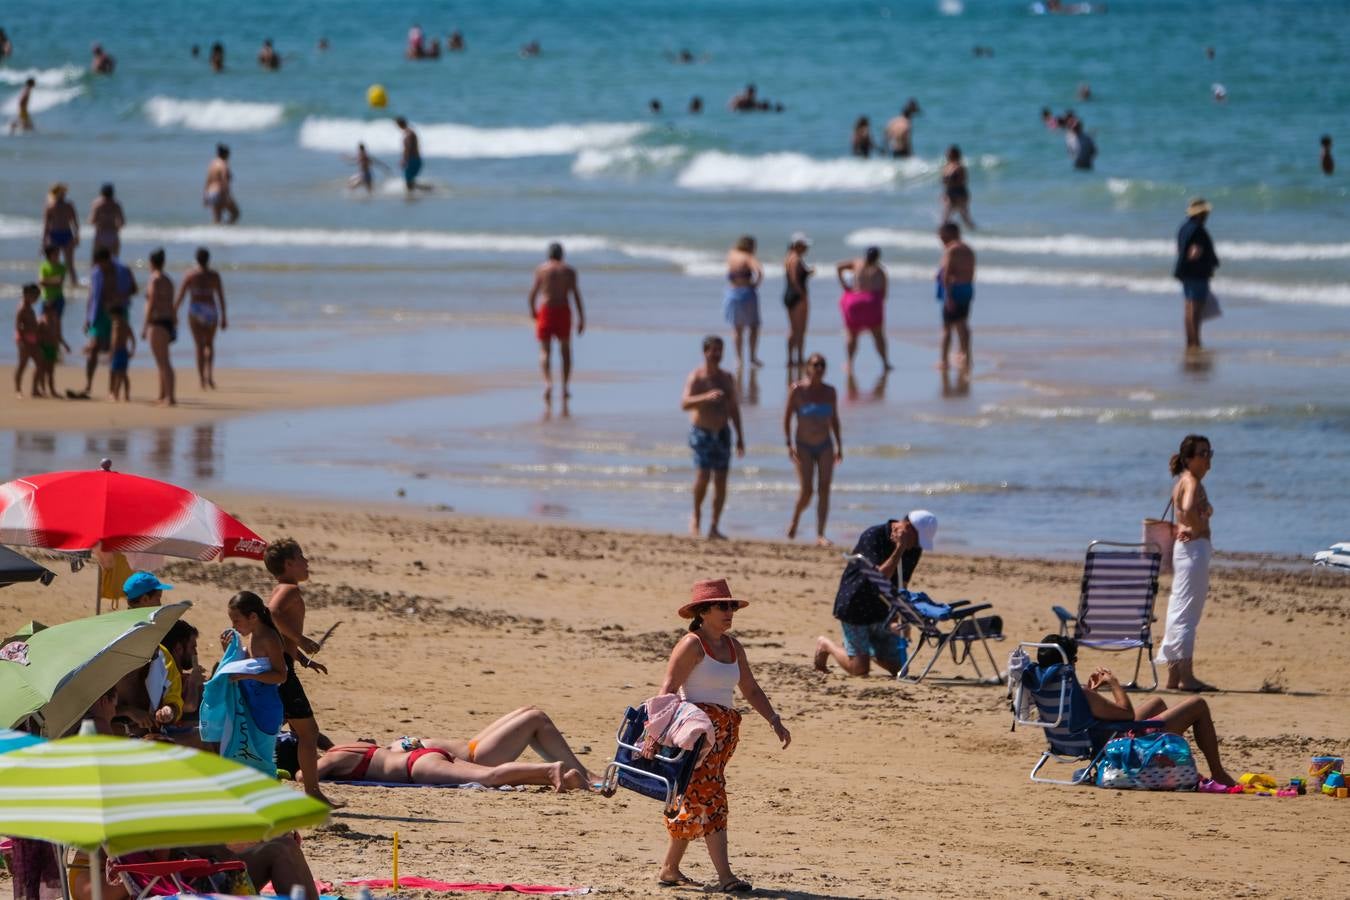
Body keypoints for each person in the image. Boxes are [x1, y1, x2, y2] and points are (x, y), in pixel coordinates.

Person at [656, 578, 789, 893]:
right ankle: (726, 876)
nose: (729, 612)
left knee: (696, 799)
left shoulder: (733, 646)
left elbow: (750, 689)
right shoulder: (692, 644)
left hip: (724, 736)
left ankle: (670, 869)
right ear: (703, 611)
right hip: (696, 736)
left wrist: (774, 720)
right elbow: (668, 689)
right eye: (722, 606)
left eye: (731, 606)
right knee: (712, 798)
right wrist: (656, 735)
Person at [1039, 635, 1234, 785]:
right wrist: (1113, 683)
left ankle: (1164, 760)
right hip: (1121, 748)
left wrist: (1091, 692)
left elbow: (1081, 717)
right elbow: (1126, 714)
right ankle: (1218, 773)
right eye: (1073, 658)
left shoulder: (1046, 689)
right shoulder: (1080, 694)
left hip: (1090, 739)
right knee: (1198, 704)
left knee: (1156, 702)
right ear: (1066, 663)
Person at [280, 706, 595, 790]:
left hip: (417, 766)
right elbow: (316, 743)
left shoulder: (333, 759)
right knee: (491, 773)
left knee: (490, 777)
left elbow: (303, 777)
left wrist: (286, 770)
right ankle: (564, 776)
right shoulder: (344, 748)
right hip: (425, 758)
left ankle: (550, 770)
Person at [814, 511, 938, 676]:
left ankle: (862, 650)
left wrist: (900, 617)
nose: (916, 545)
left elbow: (902, 584)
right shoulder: (874, 535)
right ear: (906, 527)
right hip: (855, 605)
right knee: (860, 669)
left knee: (900, 668)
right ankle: (826, 645)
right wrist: (899, 548)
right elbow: (879, 578)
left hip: (882, 610)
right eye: (916, 539)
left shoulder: (914, 548)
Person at [264, 538, 338, 807]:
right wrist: (302, 638)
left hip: (283, 663)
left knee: (278, 729)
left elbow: (280, 636)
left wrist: (305, 660)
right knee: (308, 733)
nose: (307, 562)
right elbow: (271, 614)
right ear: (289, 563)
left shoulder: (281, 588)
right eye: (302, 556)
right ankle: (313, 792)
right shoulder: (289, 590)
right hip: (283, 670)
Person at [1156, 435, 1216, 691]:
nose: (1207, 458)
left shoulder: (1182, 481)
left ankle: (1173, 675)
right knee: (1188, 613)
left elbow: (1183, 512)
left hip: (1185, 551)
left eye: (1209, 453)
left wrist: (1188, 525)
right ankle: (1186, 676)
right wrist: (1198, 527)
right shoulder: (1191, 481)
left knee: (1178, 608)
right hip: (1193, 551)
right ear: (1189, 459)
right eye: (1202, 454)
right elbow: (1189, 508)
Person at [681, 336, 744, 540]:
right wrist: (705, 398)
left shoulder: (726, 378)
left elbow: (734, 408)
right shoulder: (697, 377)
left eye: (720, 350)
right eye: (713, 350)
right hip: (702, 433)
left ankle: (714, 525)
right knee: (703, 476)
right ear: (705, 352)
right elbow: (684, 404)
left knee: (721, 481)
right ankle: (697, 514)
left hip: (723, 432)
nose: (716, 354)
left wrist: (741, 436)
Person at [784, 353, 842, 545]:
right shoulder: (797, 390)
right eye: (815, 365)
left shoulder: (830, 391)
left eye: (822, 365)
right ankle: (795, 519)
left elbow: (834, 420)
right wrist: (789, 444)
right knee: (807, 490)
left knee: (824, 489)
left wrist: (840, 445)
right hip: (804, 445)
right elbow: (786, 418)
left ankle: (820, 534)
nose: (819, 369)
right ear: (808, 367)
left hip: (825, 444)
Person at [528, 242, 585, 412]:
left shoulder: (541, 270)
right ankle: (565, 387)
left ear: (548, 255)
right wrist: (582, 318)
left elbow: (533, 294)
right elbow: (576, 295)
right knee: (565, 350)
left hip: (546, 310)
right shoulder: (569, 271)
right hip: (563, 310)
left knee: (545, 350)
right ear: (562, 255)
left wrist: (533, 311)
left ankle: (548, 383)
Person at [75, 246, 135, 399]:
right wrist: (87, 318)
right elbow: (92, 295)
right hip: (99, 313)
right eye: (98, 264)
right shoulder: (96, 273)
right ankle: (88, 384)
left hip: (118, 312)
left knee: (114, 350)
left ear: (109, 260)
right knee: (94, 347)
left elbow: (133, 289)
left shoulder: (122, 270)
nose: (100, 267)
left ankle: (111, 389)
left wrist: (119, 297)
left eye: (102, 263)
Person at [175, 246, 227, 389]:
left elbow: (181, 296)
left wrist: (174, 312)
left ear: (196, 259)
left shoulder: (190, 275)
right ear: (208, 259)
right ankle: (209, 376)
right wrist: (224, 317)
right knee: (209, 345)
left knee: (199, 346)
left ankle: (201, 380)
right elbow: (220, 297)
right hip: (210, 310)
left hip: (196, 310)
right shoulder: (214, 276)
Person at [1172, 198, 1219, 350]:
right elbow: (1194, 252)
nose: (1207, 216)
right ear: (1201, 214)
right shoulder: (1198, 230)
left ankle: (1190, 342)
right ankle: (1195, 342)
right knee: (1195, 310)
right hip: (1197, 274)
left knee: (1188, 308)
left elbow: (1180, 250)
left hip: (1185, 272)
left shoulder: (1184, 227)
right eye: (1205, 214)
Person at [836, 247, 891, 373]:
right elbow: (884, 294)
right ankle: (885, 363)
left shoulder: (857, 263)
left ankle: (849, 363)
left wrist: (845, 285)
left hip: (854, 301)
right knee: (878, 335)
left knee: (852, 335)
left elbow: (839, 267)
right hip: (872, 303)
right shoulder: (881, 271)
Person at [936, 223, 976, 372]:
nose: (940, 239)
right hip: (967, 288)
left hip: (953, 290)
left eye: (941, 235)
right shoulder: (968, 249)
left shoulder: (951, 250)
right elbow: (970, 272)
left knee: (947, 328)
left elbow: (946, 274)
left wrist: (948, 296)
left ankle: (943, 361)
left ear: (949, 234)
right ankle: (966, 355)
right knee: (963, 324)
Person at [141, 247, 176, 406]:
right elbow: (171, 304)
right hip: (168, 321)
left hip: (157, 322)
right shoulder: (168, 280)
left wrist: (144, 325)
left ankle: (169, 396)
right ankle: (163, 394)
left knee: (163, 361)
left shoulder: (154, 279)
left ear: (152, 262)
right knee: (163, 361)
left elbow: (152, 302)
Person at [722, 235, 763, 369]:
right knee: (754, 327)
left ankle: (738, 359)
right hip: (746, 294)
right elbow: (760, 272)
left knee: (737, 329)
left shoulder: (731, 254)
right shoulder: (748, 257)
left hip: (732, 293)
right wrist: (755, 284)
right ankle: (752, 357)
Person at [782, 233, 813, 368]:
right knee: (799, 330)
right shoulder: (795, 259)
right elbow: (795, 280)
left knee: (794, 329)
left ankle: (791, 358)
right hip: (797, 296)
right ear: (797, 245)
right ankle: (798, 357)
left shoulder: (789, 257)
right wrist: (803, 295)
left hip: (790, 294)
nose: (806, 248)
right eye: (804, 245)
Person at [41, 183, 79, 286]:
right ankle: (51, 283)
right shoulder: (49, 206)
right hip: (54, 235)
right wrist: (43, 242)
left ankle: (73, 284)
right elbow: (46, 225)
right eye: (60, 193)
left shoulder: (69, 205)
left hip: (67, 234)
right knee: (52, 263)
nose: (63, 195)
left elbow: (75, 222)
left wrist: (76, 236)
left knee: (69, 263)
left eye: (64, 193)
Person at [37, 296, 69, 399]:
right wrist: (38, 348)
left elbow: (59, 335)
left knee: (51, 371)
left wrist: (65, 345)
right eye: (48, 310)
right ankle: (42, 389)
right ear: (45, 310)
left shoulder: (57, 321)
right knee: (42, 370)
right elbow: (37, 336)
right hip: (43, 348)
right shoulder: (41, 321)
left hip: (53, 348)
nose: (51, 312)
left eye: (52, 310)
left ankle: (52, 390)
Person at [13, 284, 41, 398]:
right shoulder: (22, 308)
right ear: (26, 295)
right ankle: (18, 390)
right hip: (23, 339)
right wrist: (22, 340)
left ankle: (35, 389)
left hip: (33, 338)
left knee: (40, 363)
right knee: (22, 364)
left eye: (37, 297)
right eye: (35, 296)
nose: (36, 299)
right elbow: (17, 326)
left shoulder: (30, 308)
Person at [87, 183, 125, 263]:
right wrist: (116, 228)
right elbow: (122, 222)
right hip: (112, 233)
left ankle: (96, 275)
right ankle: (112, 275)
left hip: (100, 234)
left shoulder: (97, 204)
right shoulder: (116, 204)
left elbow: (92, 220)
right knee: (114, 261)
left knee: (97, 261)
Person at [941, 145, 976, 229]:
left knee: (965, 216)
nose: (947, 155)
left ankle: (975, 232)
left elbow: (963, 180)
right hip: (949, 192)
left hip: (959, 193)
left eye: (949, 154)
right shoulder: (946, 167)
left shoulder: (960, 167)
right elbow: (943, 182)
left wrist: (951, 182)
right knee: (945, 215)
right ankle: (944, 232)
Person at [204, 144, 239, 224]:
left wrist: (205, 196)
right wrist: (227, 194)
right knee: (236, 213)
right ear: (226, 154)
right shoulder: (223, 164)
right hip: (219, 192)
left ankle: (217, 234)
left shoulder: (212, 164)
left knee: (217, 218)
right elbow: (224, 180)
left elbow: (208, 180)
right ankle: (226, 230)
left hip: (210, 192)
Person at [395, 117, 428, 193]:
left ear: (399, 124)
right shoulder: (409, 132)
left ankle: (427, 190)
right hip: (414, 159)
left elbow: (408, 148)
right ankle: (416, 195)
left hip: (412, 159)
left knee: (409, 182)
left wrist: (404, 159)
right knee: (410, 181)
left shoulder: (409, 134)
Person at [107, 310, 135, 401]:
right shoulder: (126, 325)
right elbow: (133, 338)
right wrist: (132, 350)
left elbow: (114, 340)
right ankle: (125, 395)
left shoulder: (116, 325)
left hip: (118, 352)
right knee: (122, 374)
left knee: (117, 374)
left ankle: (115, 394)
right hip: (124, 351)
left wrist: (111, 352)